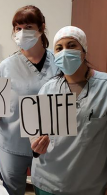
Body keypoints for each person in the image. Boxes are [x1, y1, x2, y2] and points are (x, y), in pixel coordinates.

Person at [0, 5, 58, 195]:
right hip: (12, 144)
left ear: (41, 28)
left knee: (48, 190)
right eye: (18, 28)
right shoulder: (6, 67)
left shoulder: (58, 64)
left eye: (28, 27)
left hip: (48, 144)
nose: (21, 33)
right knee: (12, 190)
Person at [31, 26, 107, 195]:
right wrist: (35, 145)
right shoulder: (47, 89)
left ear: (84, 50)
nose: (65, 52)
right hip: (47, 181)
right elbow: (35, 131)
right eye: (59, 48)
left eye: (72, 45)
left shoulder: (104, 87)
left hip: (88, 185)